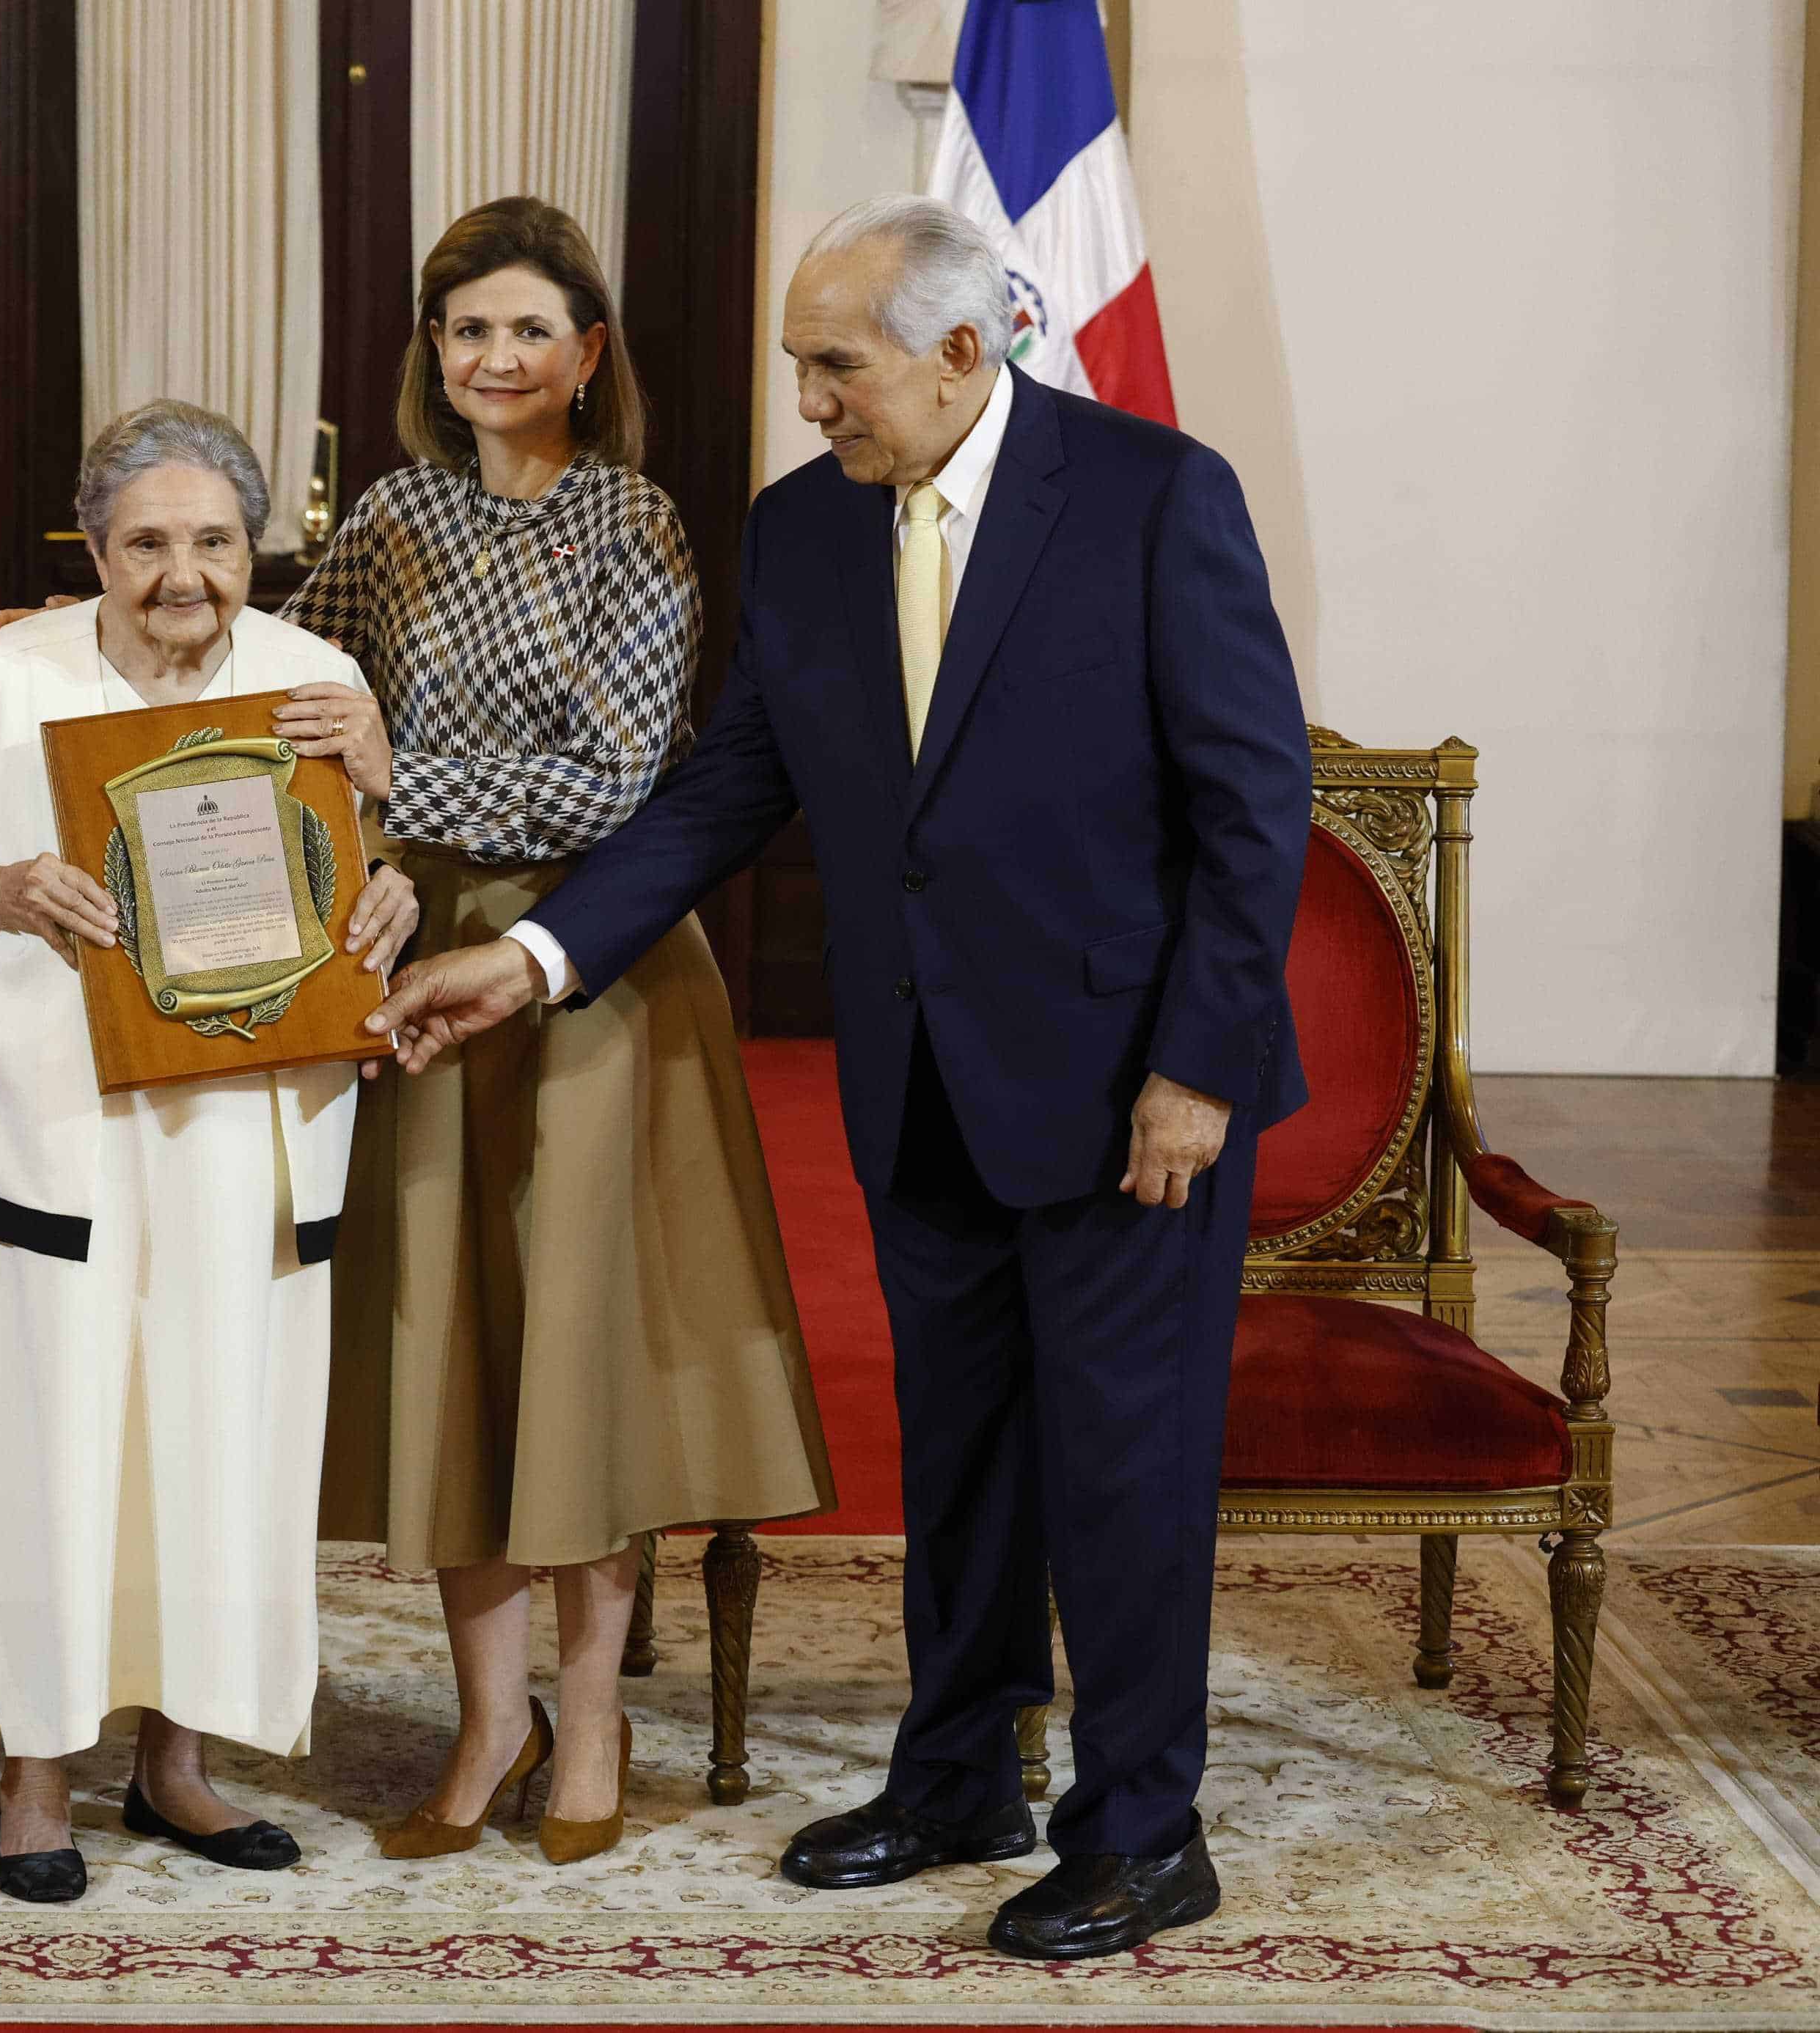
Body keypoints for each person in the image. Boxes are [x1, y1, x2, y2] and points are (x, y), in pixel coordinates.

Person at [369, 194, 1311, 1957]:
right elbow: (728, 793)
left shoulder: (1148, 497)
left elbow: (1253, 810)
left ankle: (1138, 1825)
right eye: (805, 364)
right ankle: (957, 1769)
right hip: (919, 1072)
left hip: (1127, 1089)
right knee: (958, 1447)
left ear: (966, 352)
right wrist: (535, 955)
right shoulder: (802, 532)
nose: (808, 399)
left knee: (1119, 1461)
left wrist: (1196, 1064)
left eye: (836, 366)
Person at [273, 196, 833, 1868]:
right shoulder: (383, 518)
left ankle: (591, 1712)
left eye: (527, 329)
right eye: (464, 331)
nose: (492, 358)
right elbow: (279, 693)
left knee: (577, 1358)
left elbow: (612, 783)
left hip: (591, 967)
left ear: (588, 355)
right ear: (428, 358)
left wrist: (395, 771)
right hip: (410, 964)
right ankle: (487, 1714)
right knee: (457, 1350)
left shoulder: (634, 524)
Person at [0, 400, 421, 1904]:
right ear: (94, 549)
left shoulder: (315, 681)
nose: (181, 575)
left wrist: (392, 893)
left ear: (255, 547)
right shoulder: (7, 675)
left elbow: (375, 863)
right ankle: (37, 1777)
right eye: (145, 543)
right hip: (43, 1138)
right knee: (44, 1446)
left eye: (211, 542)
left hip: (239, 1142)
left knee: (219, 1443)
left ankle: (178, 1765)